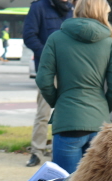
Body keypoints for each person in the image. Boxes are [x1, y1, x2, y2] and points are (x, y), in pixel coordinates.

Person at [36, 0, 112, 174]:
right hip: (98, 123)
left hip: (67, 120)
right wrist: (103, 108)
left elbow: (43, 80)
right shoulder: (108, 43)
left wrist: (58, 102)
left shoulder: (56, 38)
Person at [23, 0, 74, 167]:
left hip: (69, 69)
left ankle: (56, 152)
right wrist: (48, 54)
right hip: (47, 69)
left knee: (65, 114)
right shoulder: (38, 7)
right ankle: (37, 152)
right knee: (43, 113)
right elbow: (29, 35)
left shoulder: (73, 8)